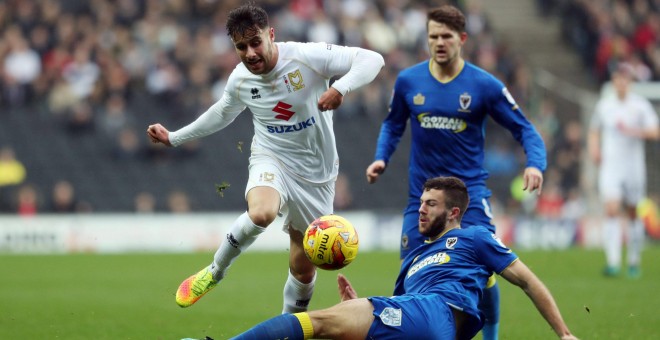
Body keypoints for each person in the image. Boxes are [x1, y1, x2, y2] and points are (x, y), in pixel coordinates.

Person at [146, 2, 384, 312]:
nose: (249, 53)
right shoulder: (240, 80)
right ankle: (215, 271)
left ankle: (288, 326)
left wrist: (341, 87)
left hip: (316, 173)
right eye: (240, 47)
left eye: (255, 42)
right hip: (271, 156)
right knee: (262, 213)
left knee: (303, 268)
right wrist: (175, 137)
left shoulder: (306, 57)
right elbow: (222, 113)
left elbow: (372, 59)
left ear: (271, 34)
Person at [364, 5, 546, 339]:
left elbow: (525, 129)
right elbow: (392, 125)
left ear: (462, 39)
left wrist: (535, 163)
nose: (439, 42)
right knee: (413, 275)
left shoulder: (484, 85)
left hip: (469, 197)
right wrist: (381, 157)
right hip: (422, 199)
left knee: (488, 269)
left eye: (446, 36)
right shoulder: (408, 81)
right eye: (433, 36)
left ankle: (491, 336)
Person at [228, 176, 577, 340]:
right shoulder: (414, 259)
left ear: (454, 213)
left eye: (431, 204)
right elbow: (399, 308)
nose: (421, 210)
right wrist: (358, 306)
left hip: (438, 312)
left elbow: (526, 280)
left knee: (319, 323)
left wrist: (563, 333)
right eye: (421, 202)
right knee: (333, 331)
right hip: (419, 321)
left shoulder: (474, 238)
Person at [588, 64, 660, 278]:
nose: (620, 83)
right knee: (610, 209)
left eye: (624, 80)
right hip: (611, 166)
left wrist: (633, 130)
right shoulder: (605, 105)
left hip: (633, 166)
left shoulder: (640, 106)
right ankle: (612, 262)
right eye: (617, 79)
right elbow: (594, 129)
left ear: (630, 82)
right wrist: (594, 149)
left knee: (632, 212)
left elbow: (655, 132)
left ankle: (634, 260)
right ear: (613, 81)